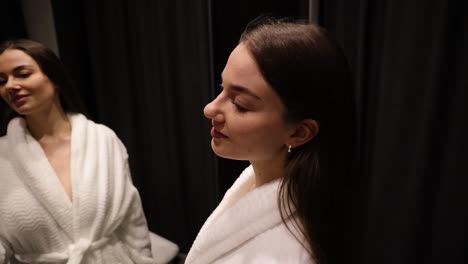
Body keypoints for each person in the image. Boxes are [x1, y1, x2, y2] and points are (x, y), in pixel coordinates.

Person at [185, 17, 357, 264]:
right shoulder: (256, 185)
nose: (210, 108)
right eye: (221, 88)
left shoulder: (289, 255)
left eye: (240, 104)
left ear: (299, 133)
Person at [0, 39, 155, 264]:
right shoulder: (2, 156)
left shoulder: (102, 140)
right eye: (2, 80)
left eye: (22, 74)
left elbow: (132, 219)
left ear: (54, 78)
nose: (10, 86)